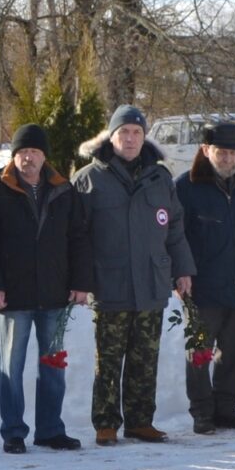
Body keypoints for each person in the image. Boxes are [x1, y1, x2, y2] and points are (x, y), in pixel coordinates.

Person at [73, 106, 195, 444]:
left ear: (144, 138)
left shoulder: (160, 178)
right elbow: (76, 235)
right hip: (109, 283)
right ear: (110, 137)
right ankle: (106, 423)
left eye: (136, 133)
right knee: (109, 360)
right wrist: (80, 281)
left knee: (145, 359)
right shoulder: (89, 179)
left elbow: (175, 228)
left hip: (152, 282)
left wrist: (183, 269)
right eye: (123, 132)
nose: (130, 139)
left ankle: (141, 421)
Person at [0, 123, 92, 453]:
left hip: (54, 293)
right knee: (11, 366)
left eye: (34, 152)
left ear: (44, 156)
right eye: (23, 152)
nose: (28, 158)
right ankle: (13, 431)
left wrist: (81, 283)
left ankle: (51, 429)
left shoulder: (63, 190)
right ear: (14, 156)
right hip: (13, 296)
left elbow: (78, 239)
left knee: (52, 365)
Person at [175, 121, 235, 434]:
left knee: (232, 351)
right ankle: (202, 411)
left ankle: (226, 407)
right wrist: (180, 273)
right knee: (200, 352)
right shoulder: (186, 187)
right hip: (201, 285)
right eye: (221, 152)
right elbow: (176, 236)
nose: (228, 158)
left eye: (232, 152)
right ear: (206, 151)